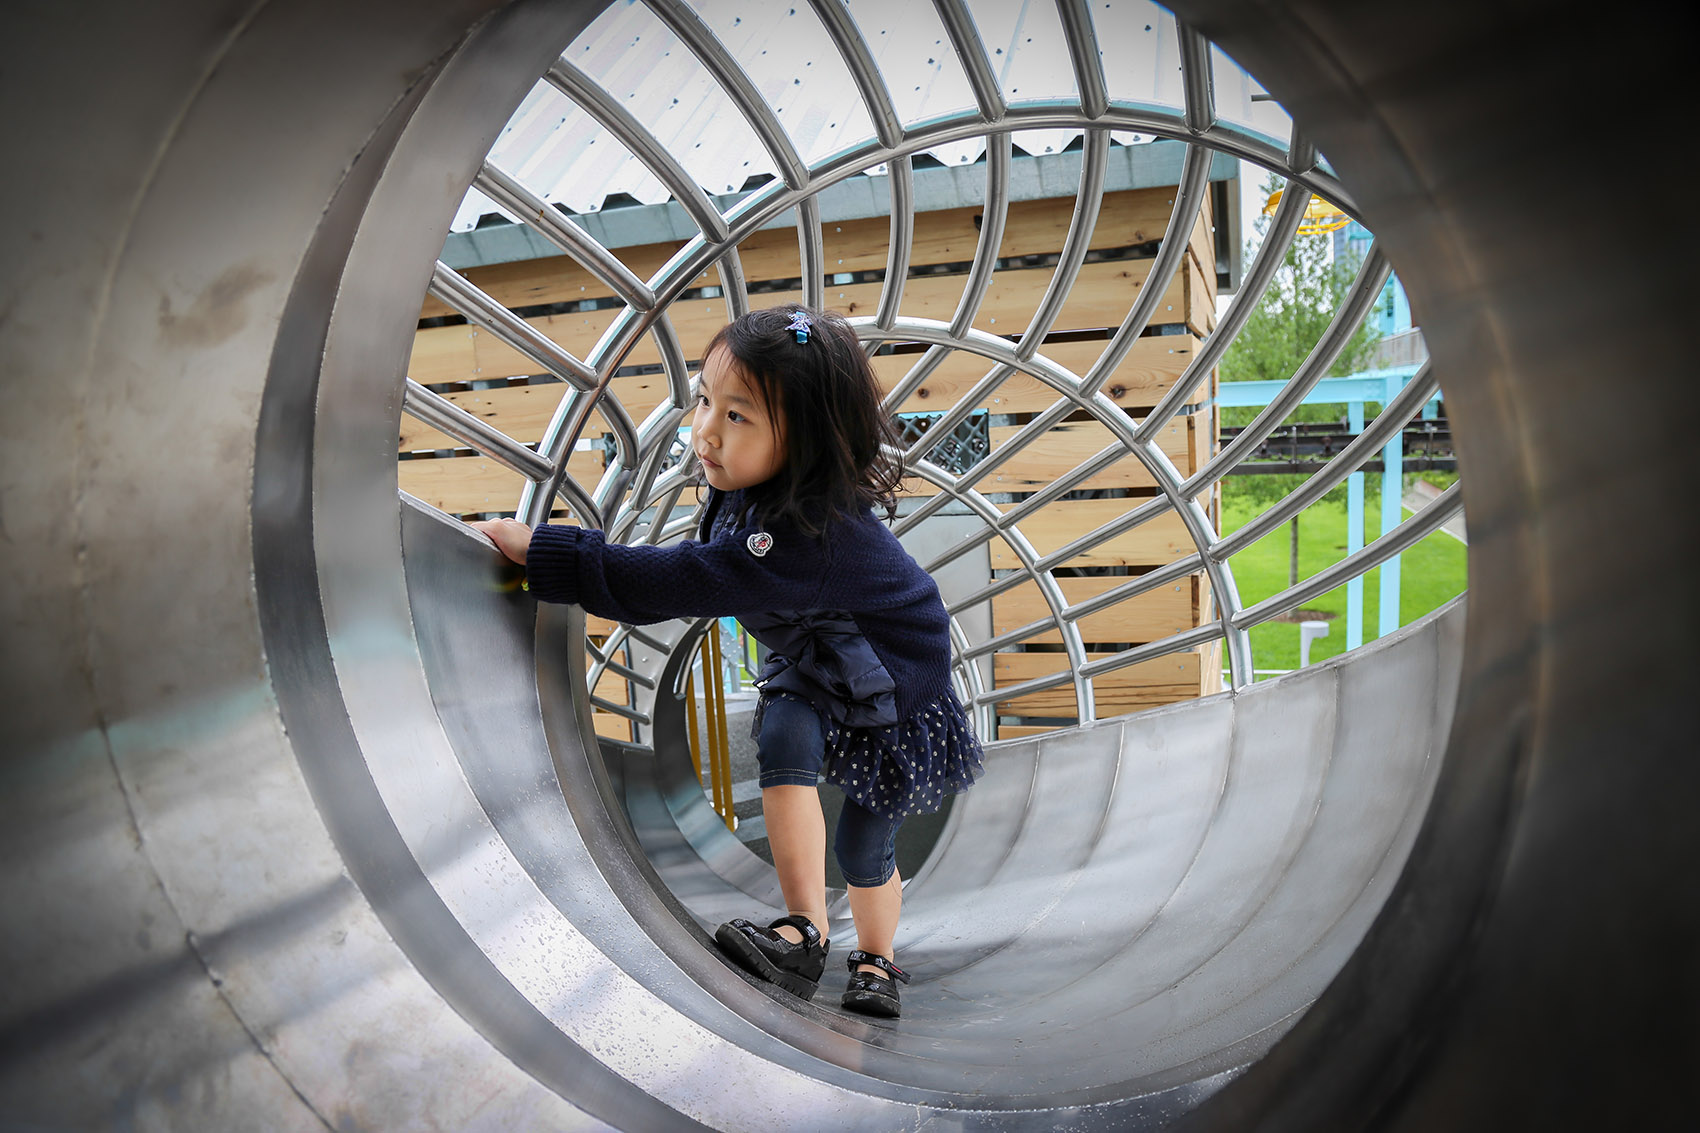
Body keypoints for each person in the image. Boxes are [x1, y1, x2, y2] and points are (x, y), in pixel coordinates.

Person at [472, 304, 983, 1018]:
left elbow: (681, 578)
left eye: (738, 416)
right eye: (705, 400)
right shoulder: (751, 495)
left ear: (804, 442)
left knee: (865, 840)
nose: (706, 429)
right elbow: (700, 568)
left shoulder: (807, 535)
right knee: (782, 734)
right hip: (820, 656)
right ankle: (804, 930)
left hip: (893, 686)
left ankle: (878, 959)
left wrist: (545, 550)